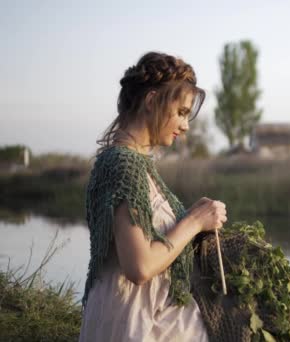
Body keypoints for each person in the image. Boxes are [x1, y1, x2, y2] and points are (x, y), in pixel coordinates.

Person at [79, 51, 227, 341]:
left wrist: (190, 216)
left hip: (137, 318)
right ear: (151, 101)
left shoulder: (134, 164)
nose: (186, 126)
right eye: (182, 112)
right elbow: (140, 266)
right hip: (134, 325)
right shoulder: (124, 164)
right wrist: (194, 222)